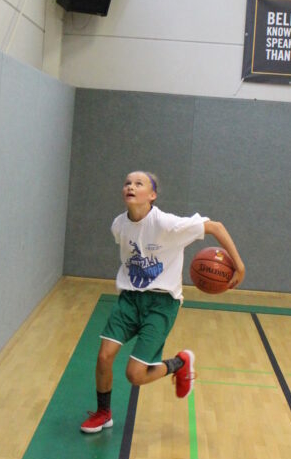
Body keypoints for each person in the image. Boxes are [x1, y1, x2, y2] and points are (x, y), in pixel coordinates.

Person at [80, 170, 245, 433]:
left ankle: (179, 363)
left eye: (139, 183)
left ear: (152, 195)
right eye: (127, 183)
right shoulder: (118, 225)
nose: (131, 186)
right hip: (130, 299)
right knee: (104, 356)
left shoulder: (168, 224)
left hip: (161, 304)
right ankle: (103, 413)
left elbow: (216, 227)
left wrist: (239, 266)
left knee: (135, 375)